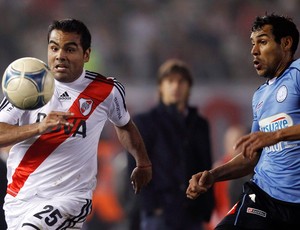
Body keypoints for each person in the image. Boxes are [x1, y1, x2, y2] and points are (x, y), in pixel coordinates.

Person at [0, 18, 152, 229]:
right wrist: (39, 127)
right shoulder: (27, 82)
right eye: (54, 48)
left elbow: (124, 125)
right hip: (20, 198)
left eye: (70, 49)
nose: (60, 56)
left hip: (70, 198)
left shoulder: (106, 90)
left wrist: (142, 162)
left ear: (86, 54)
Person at [186, 13, 300, 229]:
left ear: (286, 43)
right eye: (252, 43)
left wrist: (276, 135)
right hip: (265, 197)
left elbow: (269, 138)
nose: (254, 51)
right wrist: (213, 175)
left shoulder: (297, 74)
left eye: (263, 42)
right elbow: (250, 158)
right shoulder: (260, 96)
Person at [127, 59, 214, 230]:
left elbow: (206, 164)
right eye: (170, 81)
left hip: (192, 212)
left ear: (189, 87)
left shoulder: (200, 124)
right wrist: (151, 205)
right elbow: (134, 167)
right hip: (159, 215)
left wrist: (206, 206)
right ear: (161, 86)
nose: (176, 86)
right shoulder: (145, 123)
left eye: (181, 81)